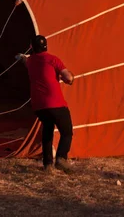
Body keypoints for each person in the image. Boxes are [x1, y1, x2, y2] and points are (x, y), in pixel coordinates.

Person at [16, 35, 74, 173]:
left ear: (32, 47)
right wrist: (70, 78)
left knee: (47, 130)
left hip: (38, 105)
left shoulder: (30, 62)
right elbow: (68, 77)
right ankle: (61, 158)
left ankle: (48, 164)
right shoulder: (53, 60)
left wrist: (21, 57)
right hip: (56, 103)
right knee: (66, 132)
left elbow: (26, 60)